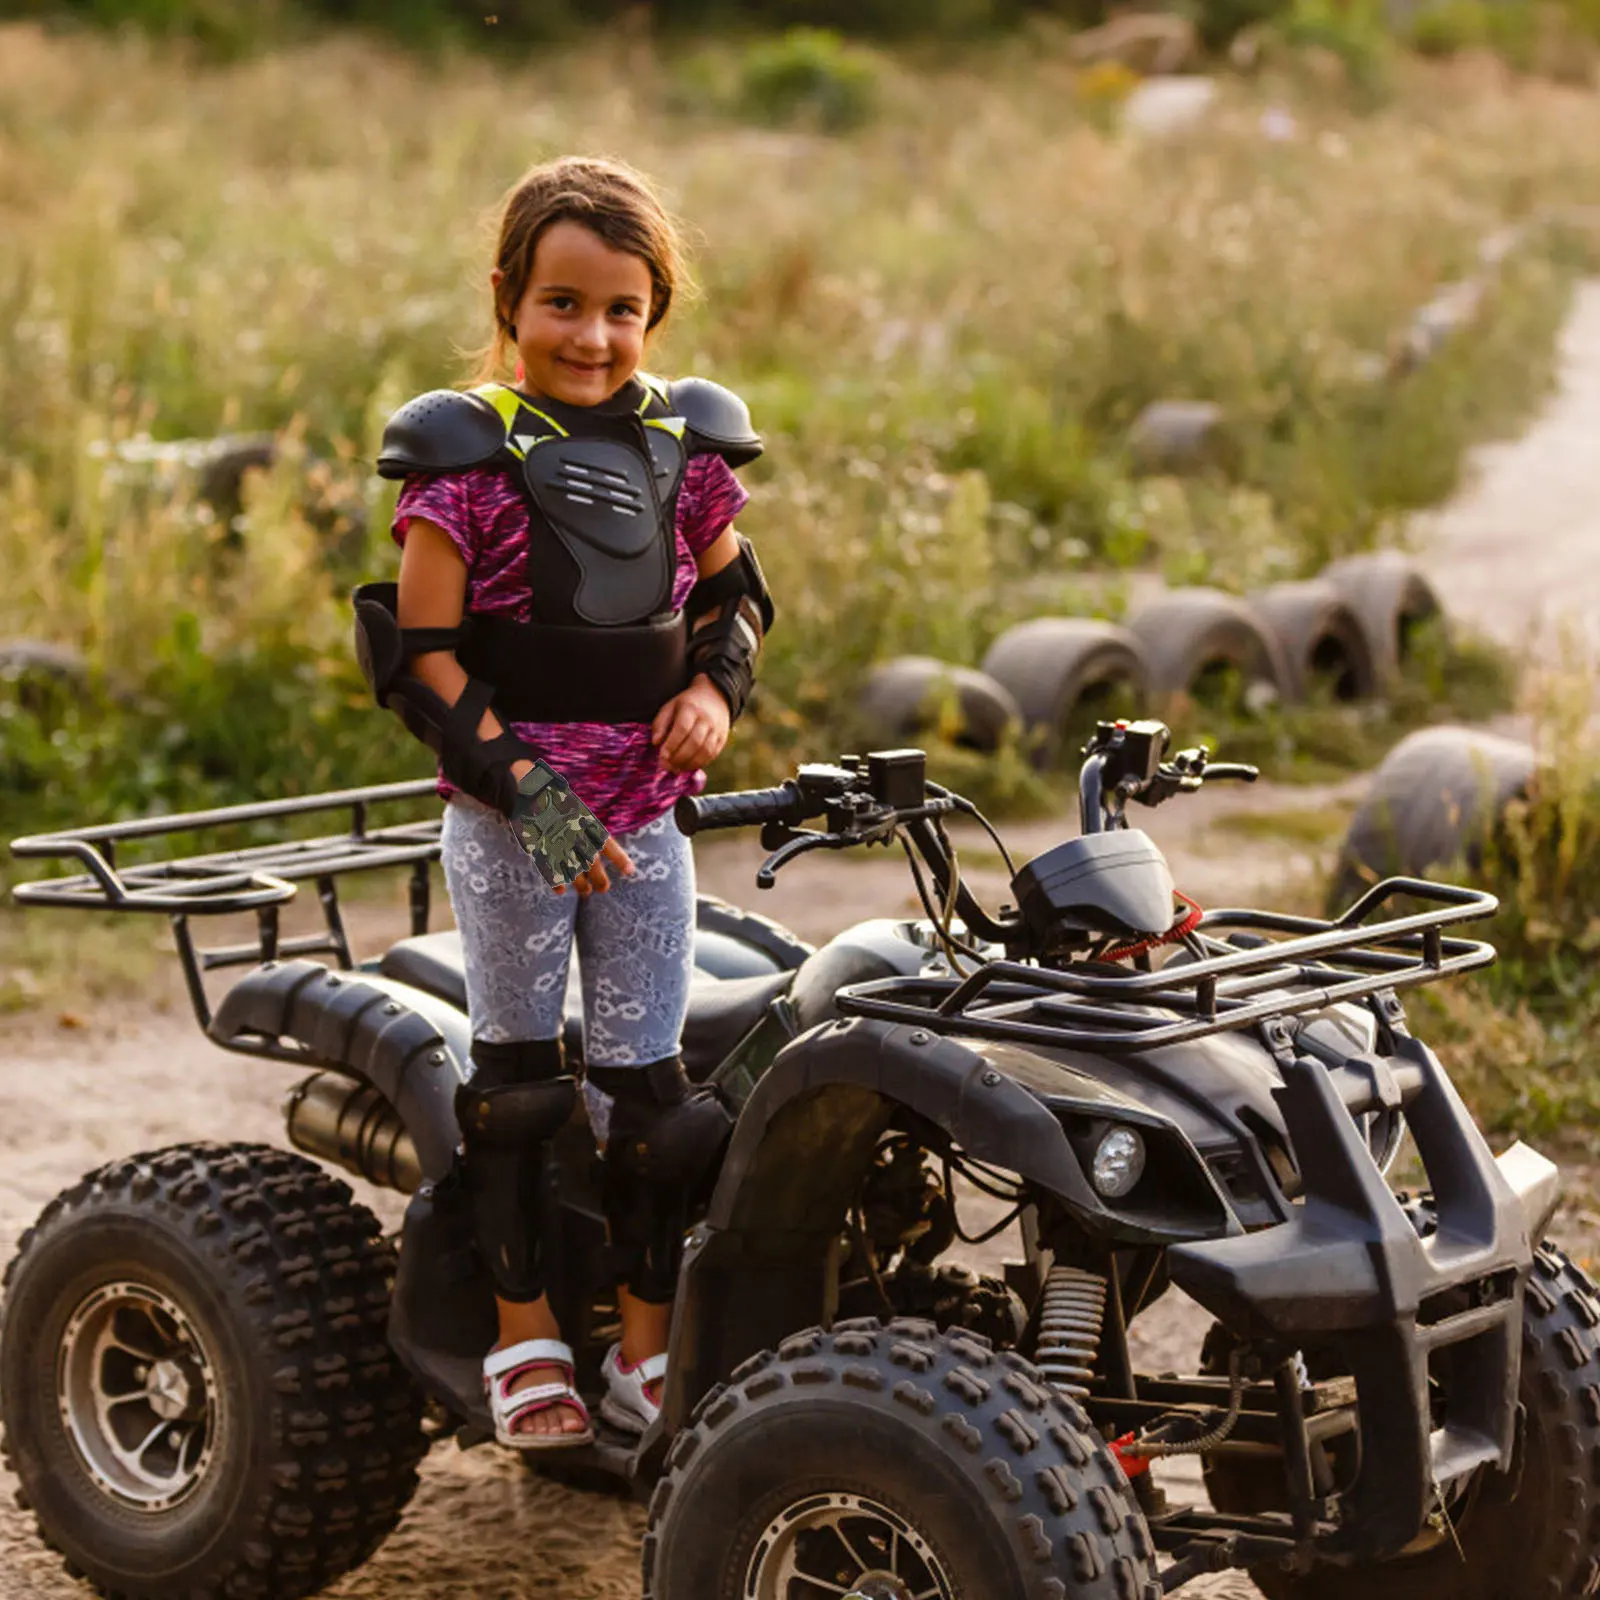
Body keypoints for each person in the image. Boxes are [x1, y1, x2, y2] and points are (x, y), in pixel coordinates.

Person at [353, 155, 772, 1449]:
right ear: (509, 297)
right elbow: (420, 660)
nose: (593, 336)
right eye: (564, 303)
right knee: (523, 1084)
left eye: (623, 310)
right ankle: (524, 1334)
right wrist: (530, 796)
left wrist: (714, 691)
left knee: (650, 1100)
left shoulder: (685, 451)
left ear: (656, 314)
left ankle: (643, 1360)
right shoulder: (460, 463)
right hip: (511, 824)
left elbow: (733, 600)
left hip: (643, 818)